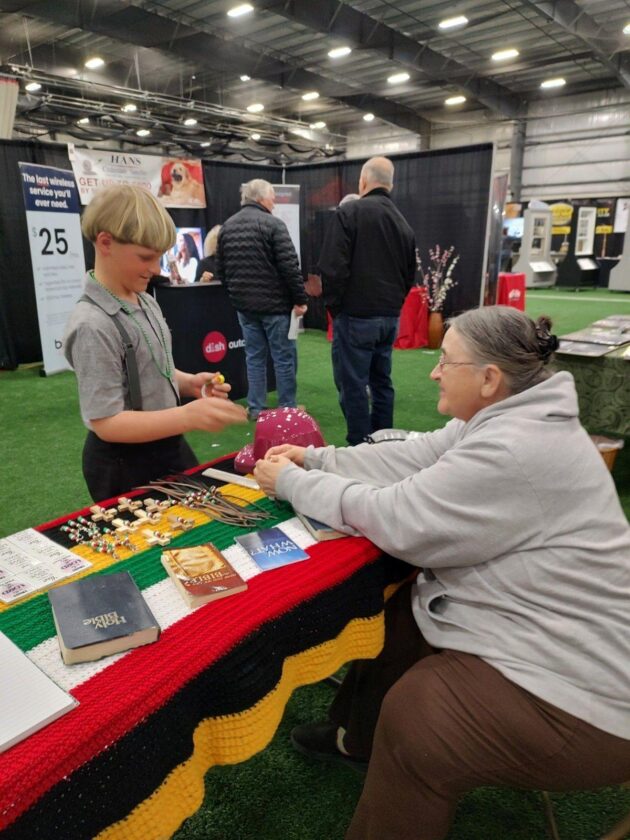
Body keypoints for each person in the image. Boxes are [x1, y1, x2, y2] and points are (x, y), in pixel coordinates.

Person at [253, 305, 630, 840]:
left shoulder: (512, 446)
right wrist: (317, 460)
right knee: (399, 613)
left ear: (489, 378)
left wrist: (294, 483)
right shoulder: (509, 417)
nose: (433, 371)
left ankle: (391, 753)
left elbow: (398, 515)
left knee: (419, 717)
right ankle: (357, 737)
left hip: (588, 700)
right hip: (564, 644)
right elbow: (415, 456)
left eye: (446, 360)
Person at [64, 185, 247, 502]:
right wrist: (187, 416)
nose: (156, 268)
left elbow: (150, 368)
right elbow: (106, 421)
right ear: (105, 243)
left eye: (159, 257)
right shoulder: (92, 324)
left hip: (168, 446)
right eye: (146, 257)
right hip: (123, 463)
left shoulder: (144, 300)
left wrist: (189, 383)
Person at [319, 156, 416, 445]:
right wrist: (393, 305)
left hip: (356, 315)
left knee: (353, 385)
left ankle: (360, 445)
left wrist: (336, 307)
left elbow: (332, 268)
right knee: (382, 381)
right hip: (388, 316)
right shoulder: (403, 223)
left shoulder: (349, 213)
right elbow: (409, 275)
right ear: (390, 184)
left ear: (362, 181)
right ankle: (383, 443)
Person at [215, 178, 308, 420]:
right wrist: (300, 299)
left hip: (245, 307)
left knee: (254, 358)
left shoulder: (227, 227)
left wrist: (236, 295)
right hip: (276, 307)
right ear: (261, 198)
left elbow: (221, 269)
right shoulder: (273, 225)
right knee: (283, 359)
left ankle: (256, 408)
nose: (274, 204)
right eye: (272, 199)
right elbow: (290, 266)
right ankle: (287, 408)